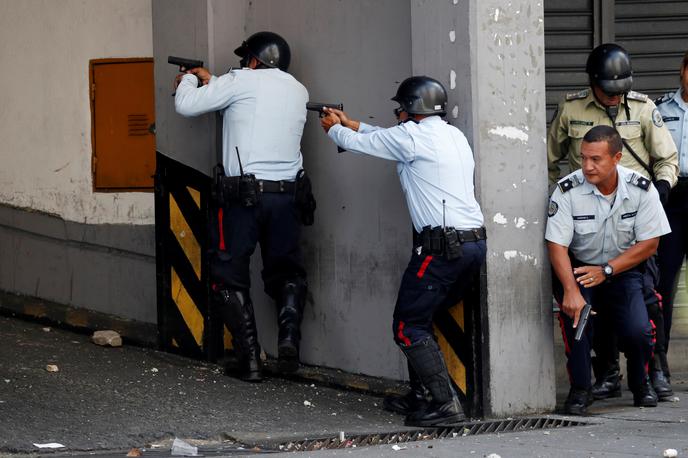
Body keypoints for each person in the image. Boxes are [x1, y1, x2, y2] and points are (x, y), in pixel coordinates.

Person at [319, 76, 487, 426]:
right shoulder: (451, 135)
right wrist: (352, 123)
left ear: (411, 109)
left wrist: (336, 130)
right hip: (471, 245)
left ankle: (445, 405)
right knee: (422, 318)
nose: (397, 115)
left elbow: (372, 143)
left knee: (407, 325)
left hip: (440, 249)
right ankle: (421, 396)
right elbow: (385, 138)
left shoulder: (412, 137)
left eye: (400, 109)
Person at [174, 31, 312, 382]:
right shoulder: (298, 89)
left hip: (244, 199)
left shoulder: (240, 81)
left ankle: (250, 359)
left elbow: (186, 104)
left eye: (245, 58)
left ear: (254, 60)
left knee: (227, 274)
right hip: (288, 196)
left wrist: (191, 77)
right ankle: (288, 339)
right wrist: (216, 81)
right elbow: (254, 105)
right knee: (287, 273)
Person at [547, 43, 678, 400]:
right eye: (608, 91)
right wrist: (558, 202)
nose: (614, 98)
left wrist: (662, 188)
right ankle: (606, 371)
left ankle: (655, 370)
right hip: (586, 215)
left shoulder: (643, 107)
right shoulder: (571, 108)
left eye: (619, 91)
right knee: (597, 304)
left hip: (633, 218)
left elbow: (667, 157)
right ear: (592, 83)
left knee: (648, 300)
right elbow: (549, 158)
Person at [546, 125, 670, 415]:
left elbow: (650, 244)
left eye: (596, 159)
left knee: (639, 330)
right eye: (583, 157)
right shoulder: (567, 190)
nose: (587, 166)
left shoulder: (642, 189)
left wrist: (608, 270)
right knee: (578, 322)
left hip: (624, 268)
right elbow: (556, 245)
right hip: (580, 270)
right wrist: (570, 290)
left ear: (616, 158)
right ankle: (580, 389)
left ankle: (641, 385)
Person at [654, 49, 688, 389]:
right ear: (683, 70)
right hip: (673, 199)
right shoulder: (660, 110)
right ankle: (659, 367)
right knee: (663, 283)